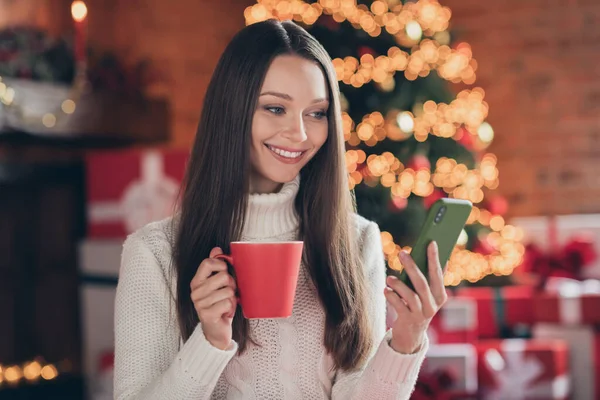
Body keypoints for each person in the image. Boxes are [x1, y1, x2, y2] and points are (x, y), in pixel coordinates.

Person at [114, 19, 448, 400]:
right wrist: (208, 342)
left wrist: (406, 340)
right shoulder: (155, 254)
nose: (301, 134)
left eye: (317, 113)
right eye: (275, 108)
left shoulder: (356, 242)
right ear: (232, 111)